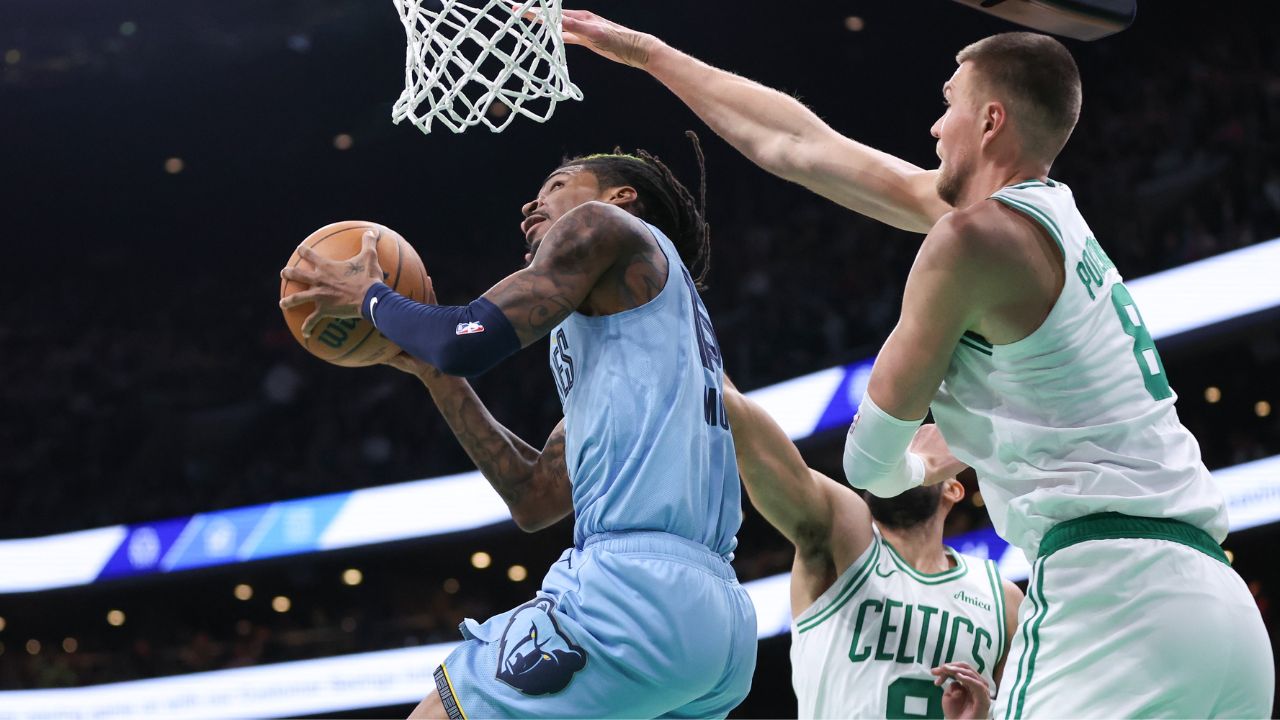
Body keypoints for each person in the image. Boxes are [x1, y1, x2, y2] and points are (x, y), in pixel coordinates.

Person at [560, 11, 1275, 717]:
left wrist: (923, 465)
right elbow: (799, 144)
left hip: (1112, 598)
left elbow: (867, 463)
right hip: (1224, 613)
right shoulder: (1058, 225)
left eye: (948, 105)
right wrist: (651, 52)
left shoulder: (969, 238)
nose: (935, 128)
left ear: (990, 121)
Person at [279, 140, 756, 719]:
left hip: (635, 596)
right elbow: (535, 497)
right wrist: (434, 375)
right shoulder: (648, 346)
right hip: (720, 627)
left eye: (557, 184)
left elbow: (463, 339)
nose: (534, 203)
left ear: (620, 197)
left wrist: (373, 298)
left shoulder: (600, 224)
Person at [723, 380, 1018, 719]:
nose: (896, 456)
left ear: (953, 489)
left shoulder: (1003, 600)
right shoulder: (843, 537)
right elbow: (754, 437)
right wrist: (700, 347)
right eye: (888, 453)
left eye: (913, 444)